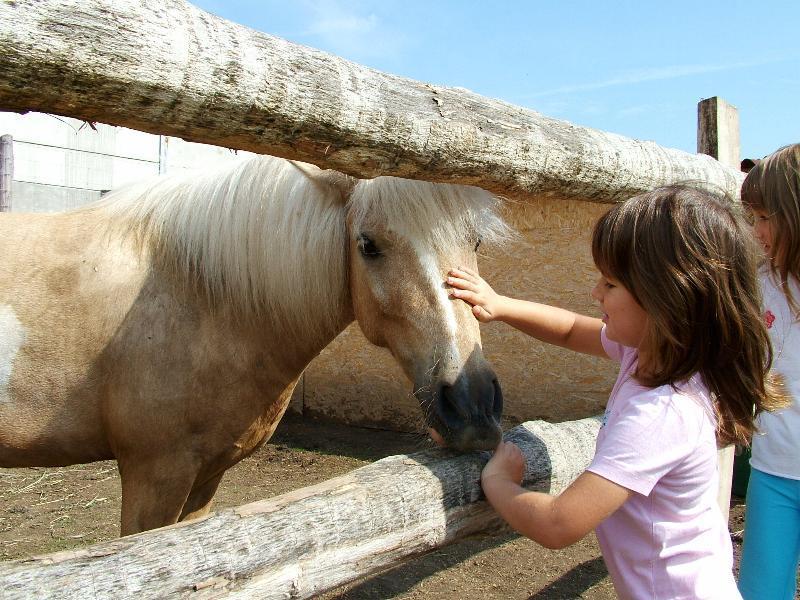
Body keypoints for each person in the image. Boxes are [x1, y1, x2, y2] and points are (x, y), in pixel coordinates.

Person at [445, 185, 784, 599]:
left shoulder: (662, 412)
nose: (595, 293)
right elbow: (571, 329)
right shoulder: (649, 355)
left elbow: (559, 524)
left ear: (667, 297)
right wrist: (500, 304)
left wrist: (499, 482)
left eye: (610, 283)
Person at [738, 143, 800, 600]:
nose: (754, 230)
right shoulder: (759, 284)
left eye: (763, 218)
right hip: (774, 470)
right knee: (761, 590)